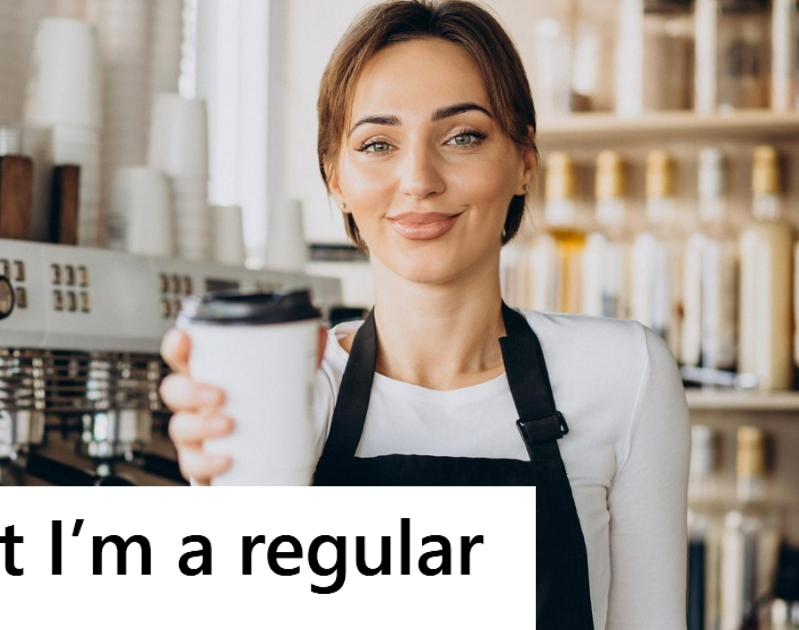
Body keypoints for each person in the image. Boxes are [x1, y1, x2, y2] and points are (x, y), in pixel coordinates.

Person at [158, 1, 690, 628]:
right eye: (378, 143)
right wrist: (224, 504)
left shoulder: (624, 374)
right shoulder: (293, 393)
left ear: (524, 161)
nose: (418, 179)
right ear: (336, 179)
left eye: (462, 136)